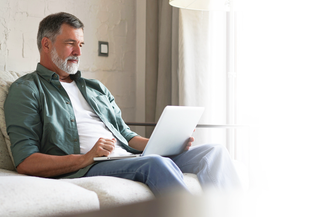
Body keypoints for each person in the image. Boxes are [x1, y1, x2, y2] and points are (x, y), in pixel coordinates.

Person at [4, 12, 241, 196]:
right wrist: (86, 158)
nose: (78, 51)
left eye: (81, 44)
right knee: (155, 163)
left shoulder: (94, 88)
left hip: (125, 156)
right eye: (70, 43)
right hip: (86, 167)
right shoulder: (27, 90)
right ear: (46, 45)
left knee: (214, 152)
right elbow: (26, 162)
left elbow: (125, 135)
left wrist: (167, 144)